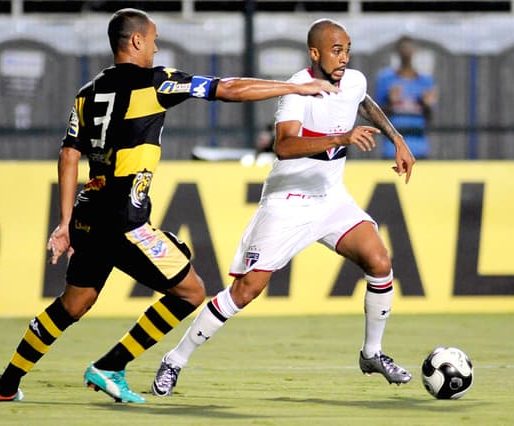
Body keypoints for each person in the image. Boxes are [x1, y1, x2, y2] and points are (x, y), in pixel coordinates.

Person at [0, 8, 337, 404]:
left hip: (87, 214)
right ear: (135, 42)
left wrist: (64, 223)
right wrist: (294, 89)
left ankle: (6, 385)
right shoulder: (156, 82)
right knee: (191, 292)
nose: (156, 45)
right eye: (153, 39)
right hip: (124, 221)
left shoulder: (87, 93)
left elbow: (67, 156)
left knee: (73, 303)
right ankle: (110, 365)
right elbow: (229, 87)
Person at [151, 18, 416, 398]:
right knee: (245, 291)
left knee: (379, 261)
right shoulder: (297, 90)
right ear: (315, 53)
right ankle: (175, 360)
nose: (344, 57)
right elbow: (285, 146)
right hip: (289, 200)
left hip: (330, 198)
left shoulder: (354, 80)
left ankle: (372, 353)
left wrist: (397, 138)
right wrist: (341, 137)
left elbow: (363, 102)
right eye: (336, 50)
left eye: (347, 49)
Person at [374, 35, 437, 159]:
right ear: (397, 52)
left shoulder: (425, 81)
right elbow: (376, 117)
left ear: (415, 51)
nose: (406, 52)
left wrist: (426, 105)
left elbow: (430, 118)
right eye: (403, 48)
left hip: (418, 148)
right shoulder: (386, 79)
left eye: (409, 48)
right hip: (392, 148)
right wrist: (390, 102)